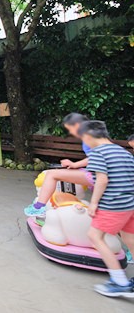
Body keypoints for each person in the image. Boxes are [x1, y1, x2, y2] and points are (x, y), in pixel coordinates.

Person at [78, 121, 134, 297]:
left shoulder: (98, 153)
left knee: (95, 236)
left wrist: (93, 203)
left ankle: (119, 282)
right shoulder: (124, 152)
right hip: (130, 204)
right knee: (129, 238)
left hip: (113, 205)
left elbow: (102, 180)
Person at [24, 113, 92, 217]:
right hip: (96, 173)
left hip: (98, 175)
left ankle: (38, 207)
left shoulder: (90, 137)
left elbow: (97, 157)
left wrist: (74, 164)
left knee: (52, 175)